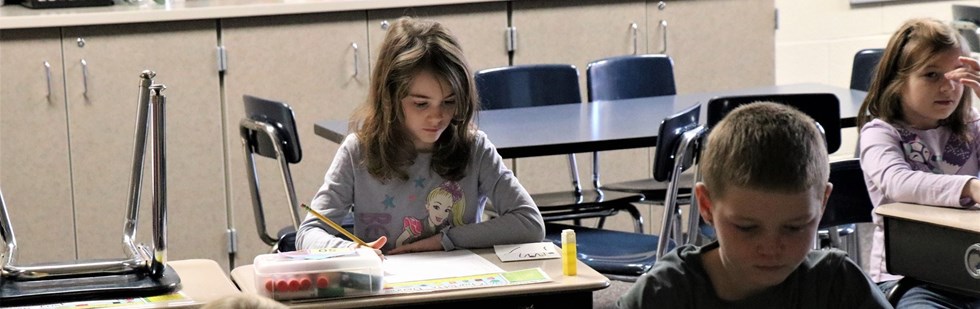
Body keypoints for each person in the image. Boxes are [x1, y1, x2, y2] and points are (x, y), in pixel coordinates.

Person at [295, 16, 544, 255]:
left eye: (449, 102)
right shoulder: (359, 151)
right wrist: (351, 251)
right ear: (390, 97)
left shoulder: (474, 148)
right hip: (388, 291)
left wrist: (448, 240)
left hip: (458, 288)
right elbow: (309, 233)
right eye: (421, 104)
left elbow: (530, 223)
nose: (437, 117)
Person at [618, 102, 890, 308]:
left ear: (822, 204)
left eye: (794, 227)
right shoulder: (663, 294)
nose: (771, 248)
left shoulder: (837, 286)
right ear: (707, 206)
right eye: (747, 228)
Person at [857, 17, 980, 308]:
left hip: (972, 268)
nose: (948, 87)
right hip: (910, 279)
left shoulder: (972, 126)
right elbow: (898, 183)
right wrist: (970, 187)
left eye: (955, 74)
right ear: (898, 82)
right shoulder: (880, 133)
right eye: (931, 75)